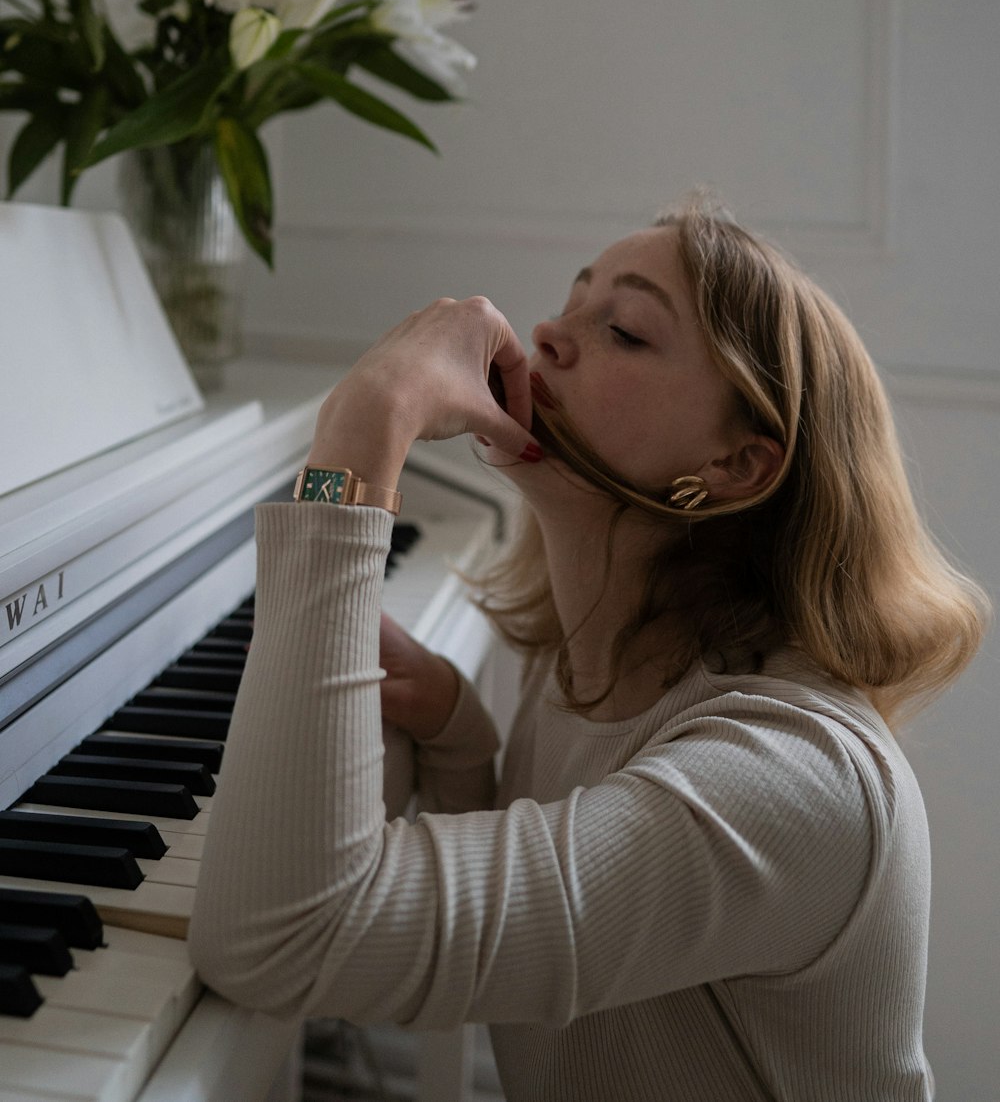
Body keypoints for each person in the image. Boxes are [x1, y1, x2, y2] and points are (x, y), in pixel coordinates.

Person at [189, 196, 989, 1101]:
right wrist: (464, 740)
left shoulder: (792, 782)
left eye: (625, 329)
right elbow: (541, 926)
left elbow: (285, 940)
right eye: (573, 304)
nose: (549, 335)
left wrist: (367, 421)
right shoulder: (588, 663)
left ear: (738, 466)